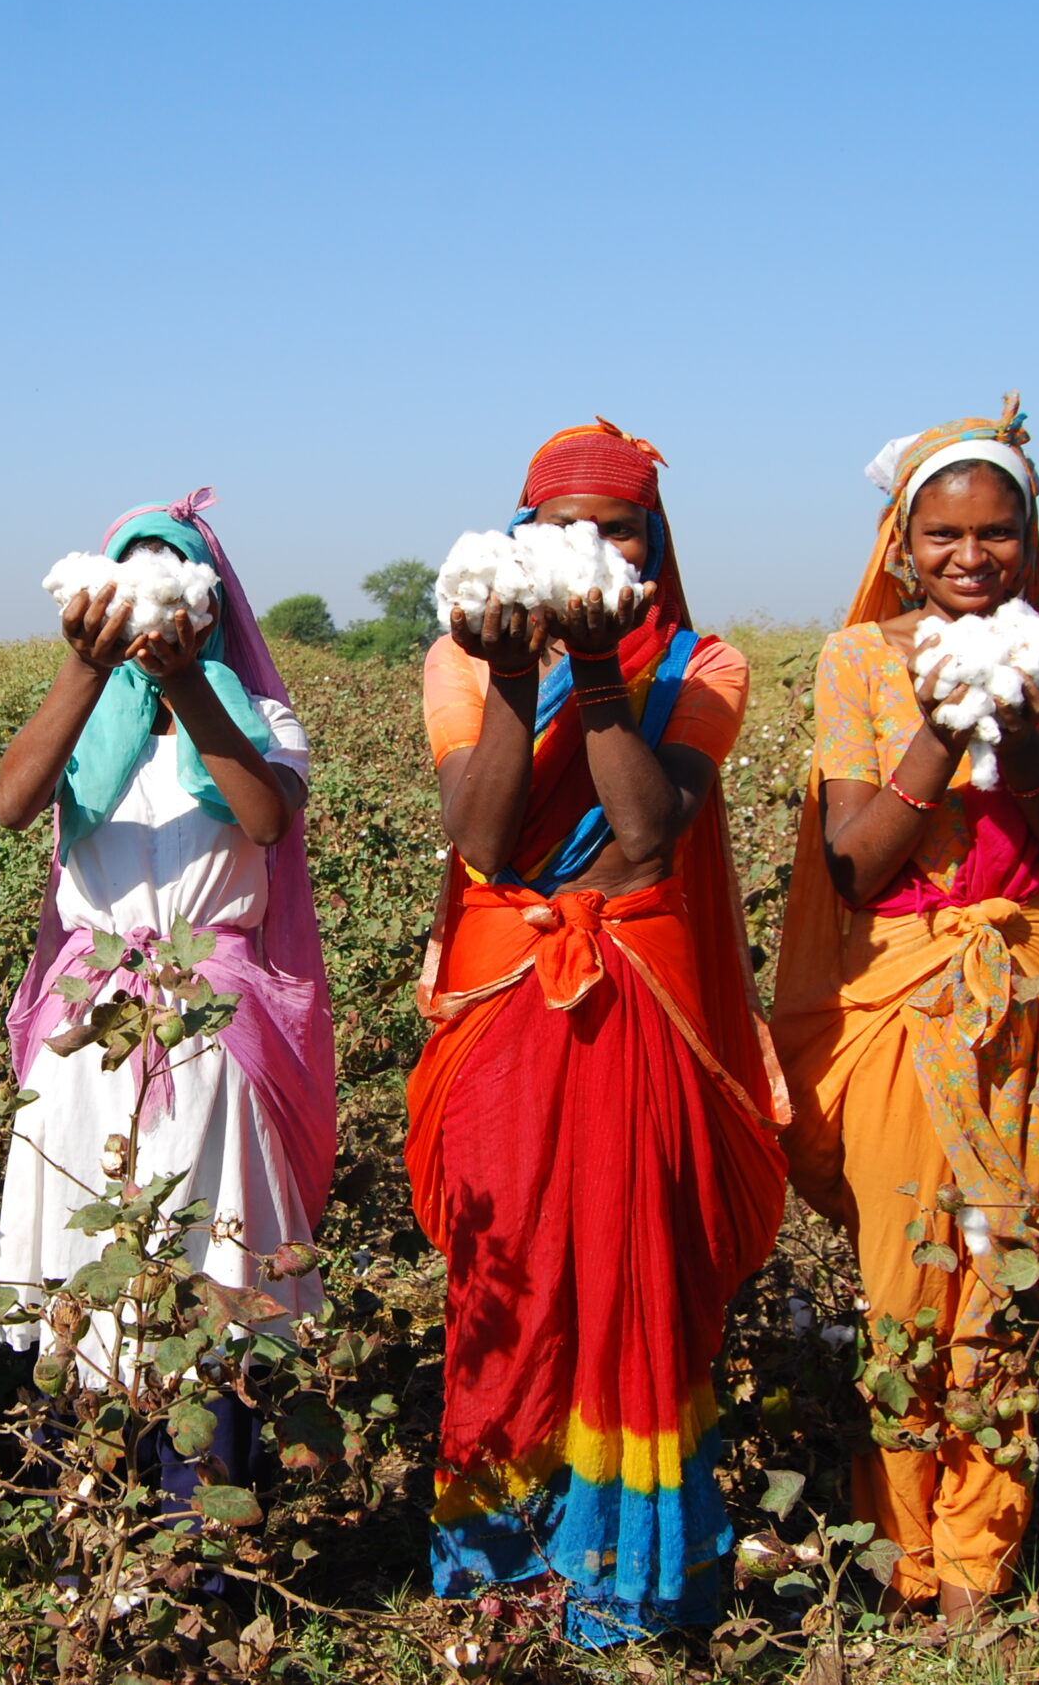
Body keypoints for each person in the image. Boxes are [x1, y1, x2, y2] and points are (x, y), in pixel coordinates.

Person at [406, 422, 788, 1646]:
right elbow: (485, 839)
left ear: (652, 542)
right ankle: (501, 1571)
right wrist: (521, 679)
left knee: (638, 1258)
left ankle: (624, 1576)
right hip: (509, 983)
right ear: (514, 541)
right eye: (557, 528)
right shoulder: (458, 664)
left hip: (638, 993)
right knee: (506, 1257)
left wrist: (602, 671)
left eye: (613, 528)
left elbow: (644, 829)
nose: (585, 547)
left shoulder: (705, 665)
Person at [772, 395, 1039, 1624]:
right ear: (899, 543)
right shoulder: (859, 660)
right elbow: (854, 866)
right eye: (941, 536)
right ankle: (897, 1548)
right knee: (905, 1279)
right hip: (903, 998)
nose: (970, 559)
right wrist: (941, 727)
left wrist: (1027, 746)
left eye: (996, 534)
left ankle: (977, 1561)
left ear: (1030, 537)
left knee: (1004, 1277)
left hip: (1029, 997)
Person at [0, 488, 336, 1492]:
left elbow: (266, 819)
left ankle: (196, 1545)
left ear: (210, 602)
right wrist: (83, 669)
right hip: (88, 1036)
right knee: (81, 1272)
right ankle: (89, 1534)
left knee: (199, 1276)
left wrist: (188, 689)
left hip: (203, 1035)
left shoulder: (255, 716)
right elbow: (14, 800)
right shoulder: (81, 719)